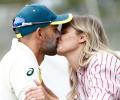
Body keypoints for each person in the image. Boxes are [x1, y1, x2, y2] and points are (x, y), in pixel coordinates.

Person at [0, 3, 72, 100]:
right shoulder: (23, 62)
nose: (59, 34)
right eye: (55, 29)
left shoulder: (20, 57)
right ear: (40, 33)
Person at [57, 15, 120, 100]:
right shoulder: (79, 72)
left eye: (63, 32)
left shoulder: (101, 61)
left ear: (82, 37)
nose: (57, 36)